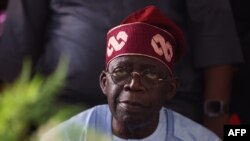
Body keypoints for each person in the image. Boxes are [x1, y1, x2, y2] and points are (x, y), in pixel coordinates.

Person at [41, 6, 221, 141]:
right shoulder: (66, 136)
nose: (134, 85)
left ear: (170, 88)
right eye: (121, 71)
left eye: (150, 75)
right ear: (104, 82)